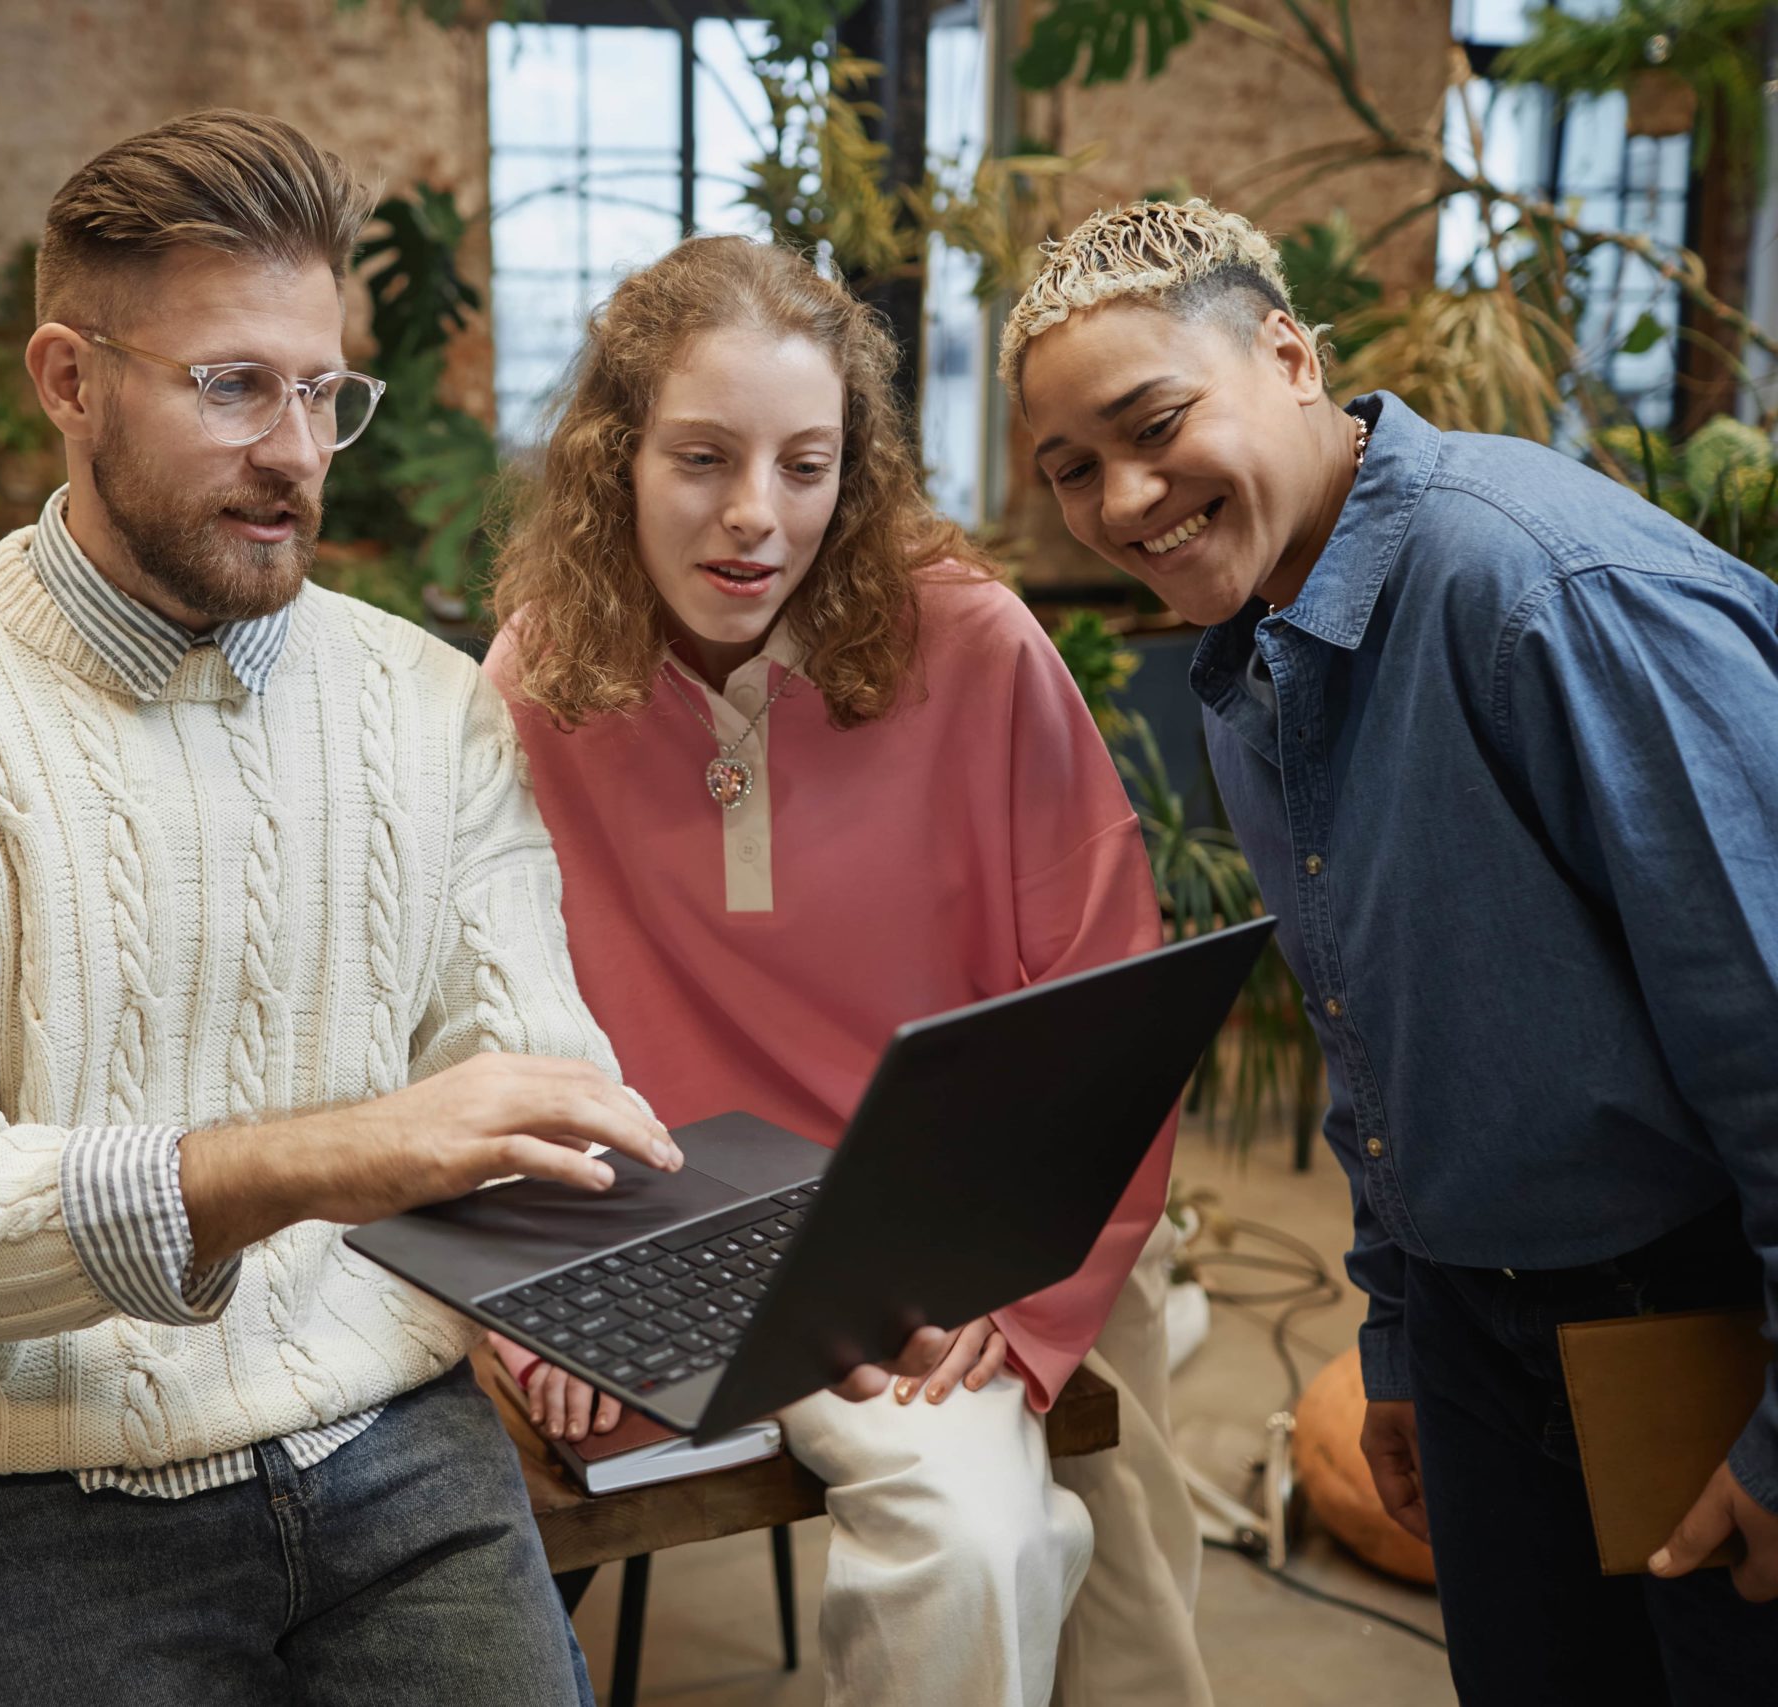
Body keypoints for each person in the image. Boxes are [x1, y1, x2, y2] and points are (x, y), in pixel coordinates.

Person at [0, 109, 693, 1707]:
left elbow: (531, 1085)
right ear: (67, 379)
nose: (299, 453)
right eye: (233, 387)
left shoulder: (426, 699)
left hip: (401, 1454)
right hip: (15, 1485)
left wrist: (776, 1294)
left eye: (324, 392)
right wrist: (322, 1156)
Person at [1006, 196, 1778, 1704]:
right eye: (1072, 470)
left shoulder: (1546, 593)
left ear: (1289, 356)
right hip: (1486, 1326)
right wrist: (1407, 1340)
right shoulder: (1252, 654)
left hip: (1691, 1322)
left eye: (1155, 422)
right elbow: (1373, 1044)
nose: (1125, 497)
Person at [483, 234, 1211, 1707]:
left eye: (806, 466)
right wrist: (537, 1291)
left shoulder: (978, 646)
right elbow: (482, 1008)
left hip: (920, 1257)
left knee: (980, 1543)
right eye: (702, 458)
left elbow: (1109, 1010)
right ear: (617, 458)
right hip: (662, 1244)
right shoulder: (541, 670)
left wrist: (1016, 1295)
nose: (757, 517)